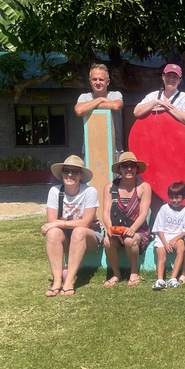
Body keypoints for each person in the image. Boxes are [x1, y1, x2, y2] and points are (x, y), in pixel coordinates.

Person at [43, 155, 103, 297]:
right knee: (53, 233)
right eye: (66, 170)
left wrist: (59, 222)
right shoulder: (55, 191)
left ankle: (69, 281)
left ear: (81, 175)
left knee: (79, 231)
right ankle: (57, 281)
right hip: (67, 235)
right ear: (62, 173)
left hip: (89, 236)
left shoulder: (89, 192)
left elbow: (86, 223)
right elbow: (51, 221)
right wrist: (64, 223)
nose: (70, 174)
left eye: (75, 171)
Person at [101, 152, 152, 287]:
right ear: (120, 169)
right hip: (117, 228)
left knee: (130, 240)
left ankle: (134, 272)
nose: (129, 169)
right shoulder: (110, 187)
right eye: (125, 166)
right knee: (107, 241)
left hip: (138, 229)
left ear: (136, 168)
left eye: (132, 166)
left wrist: (133, 229)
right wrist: (109, 228)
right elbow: (105, 212)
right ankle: (116, 273)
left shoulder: (143, 187)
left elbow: (144, 213)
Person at [151, 182, 185, 290]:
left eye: (177, 197)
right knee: (161, 255)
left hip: (177, 236)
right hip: (162, 237)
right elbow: (159, 228)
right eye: (171, 198)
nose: (174, 200)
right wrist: (165, 243)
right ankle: (160, 280)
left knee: (181, 249)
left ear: (183, 197)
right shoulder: (164, 208)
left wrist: (174, 240)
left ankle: (173, 279)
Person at [74, 63, 124, 155]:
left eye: (101, 79)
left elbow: (116, 106)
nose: (97, 82)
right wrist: (100, 100)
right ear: (90, 82)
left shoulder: (115, 95)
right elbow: (79, 110)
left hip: (114, 150)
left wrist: (90, 106)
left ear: (108, 82)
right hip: (90, 150)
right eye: (94, 79)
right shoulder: (84, 97)